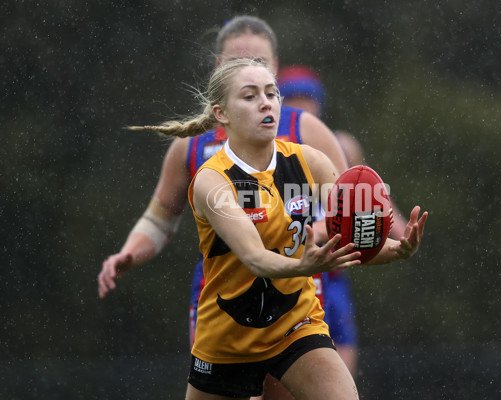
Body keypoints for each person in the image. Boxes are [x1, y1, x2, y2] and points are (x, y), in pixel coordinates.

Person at [133, 57, 427, 400]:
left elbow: (350, 243)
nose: (265, 102)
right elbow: (255, 258)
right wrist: (303, 266)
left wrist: (393, 250)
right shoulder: (211, 180)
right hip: (228, 340)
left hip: (297, 327)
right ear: (221, 114)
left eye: (271, 94)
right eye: (249, 96)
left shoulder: (310, 161)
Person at [97, 15, 348, 400]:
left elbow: (350, 209)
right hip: (225, 307)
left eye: (262, 65)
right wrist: (131, 251)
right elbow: (159, 220)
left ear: (276, 68)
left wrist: (324, 230)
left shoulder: (306, 133)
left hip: (296, 301)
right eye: (237, 64)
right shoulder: (192, 147)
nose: (253, 74)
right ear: (219, 70)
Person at [277, 65, 410, 377]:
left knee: (342, 377)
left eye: (307, 98)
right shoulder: (270, 150)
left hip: (334, 276)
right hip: (291, 271)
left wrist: (397, 228)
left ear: (319, 102)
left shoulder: (341, 144)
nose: (301, 105)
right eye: (292, 97)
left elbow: (369, 194)